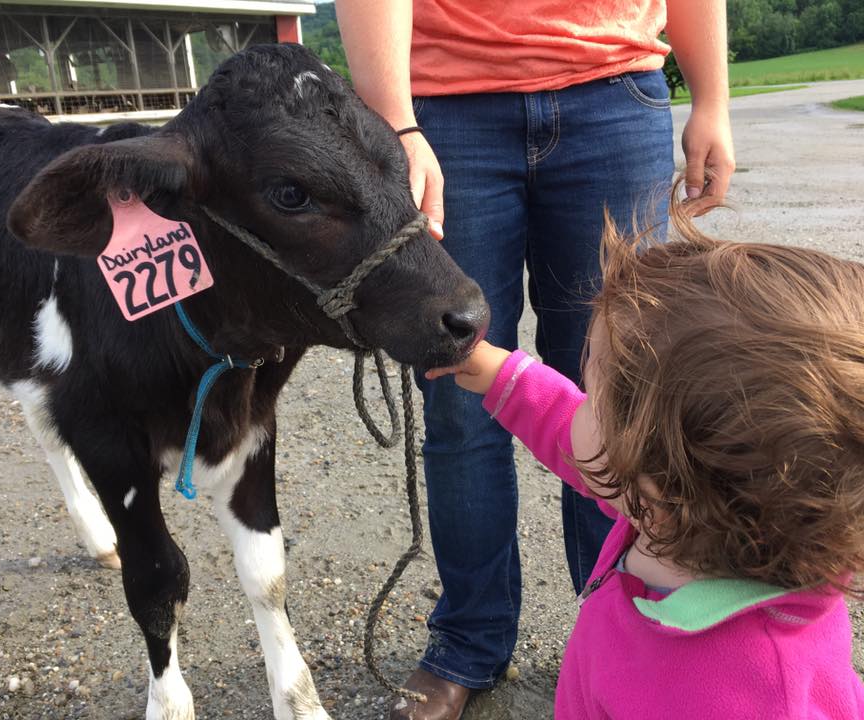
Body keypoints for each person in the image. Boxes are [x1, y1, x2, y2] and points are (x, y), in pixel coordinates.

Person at [336, 1, 735, 716]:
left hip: (616, 91)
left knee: (628, 397)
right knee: (458, 397)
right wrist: (395, 122)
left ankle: (630, 627)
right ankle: (468, 640)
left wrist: (713, 99)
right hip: (446, 110)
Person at [425, 201, 864, 718]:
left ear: (658, 480)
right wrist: (503, 375)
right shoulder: (690, 517)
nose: (579, 403)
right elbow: (576, 435)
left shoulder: (758, 696)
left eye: (595, 393)